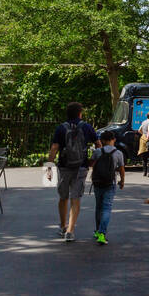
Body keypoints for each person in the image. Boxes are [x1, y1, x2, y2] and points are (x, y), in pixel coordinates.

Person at [47, 103, 97, 241]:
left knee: (63, 197)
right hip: (81, 167)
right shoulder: (86, 127)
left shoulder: (61, 128)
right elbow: (98, 145)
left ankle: (63, 226)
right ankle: (70, 231)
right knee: (76, 199)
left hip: (64, 167)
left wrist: (49, 168)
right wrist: (93, 162)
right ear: (80, 113)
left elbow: (54, 148)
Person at [90, 130, 125, 245]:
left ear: (103, 141)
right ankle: (102, 233)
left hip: (97, 182)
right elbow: (121, 169)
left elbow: (91, 164)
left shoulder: (97, 152)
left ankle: (97, 230)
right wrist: (122, 182)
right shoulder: (118, 153)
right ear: (113, 140)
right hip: (110, 183)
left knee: (98, 207)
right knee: (107, 208)